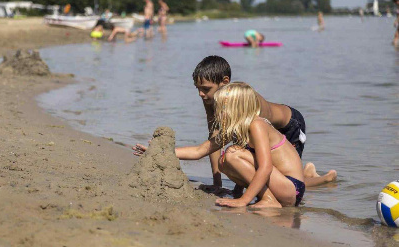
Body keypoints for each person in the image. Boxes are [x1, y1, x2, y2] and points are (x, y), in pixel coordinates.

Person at [134, 56, 336, 194]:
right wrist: (217, 182)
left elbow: (250, 147)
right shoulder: (211, 99)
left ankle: (324, 179)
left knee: (285, 182)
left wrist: (241, 192)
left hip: (289, 126)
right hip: (265, 136)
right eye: (197, 88)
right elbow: (213, 137)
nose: (200, 94)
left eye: (205, 89)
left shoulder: (248, 104)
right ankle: (307, 172)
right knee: (257, 171)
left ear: (225, 81)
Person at [136, 82, 306, 208]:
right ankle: (266, 198)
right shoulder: (237, 128)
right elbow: (199, 150)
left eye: (222, 108)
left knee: (233, 153)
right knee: (223, 161)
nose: (218, 112)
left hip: (291, 188)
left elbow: (266, 167)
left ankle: (269, 200)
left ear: (237, 108)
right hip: (280, 186)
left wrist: (244, 200)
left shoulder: (257, 124)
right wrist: (161, 151)